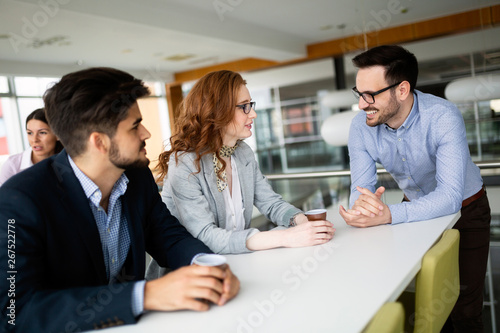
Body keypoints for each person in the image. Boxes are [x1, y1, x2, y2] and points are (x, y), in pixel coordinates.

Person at [0, 67, 239, 332]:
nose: (146, 134)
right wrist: (146, 295)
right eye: (135, 126)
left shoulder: (137, 176)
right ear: (99, 142)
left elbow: (168, 235)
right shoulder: (19, 201)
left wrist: (205, 266)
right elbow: (14, 312)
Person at [339, 45, 491, 332]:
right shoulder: (361, 127)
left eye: (370, 95)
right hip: (415, 212)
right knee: (432, 305)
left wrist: (387, 215)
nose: (361, 105)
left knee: (466, 310)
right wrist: (363, 207)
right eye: (359, 94)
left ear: (402, 89)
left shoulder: (443, 116)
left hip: (468, 211)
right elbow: (361, 187)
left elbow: (449, 198)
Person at [147, 70, 334, 278]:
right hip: (188, 277)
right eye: (244, 107)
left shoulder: (243, 152)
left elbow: (271, 203)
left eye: (250, 105)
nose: (252, 114)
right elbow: (205, 236)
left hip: (237, 265)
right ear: (217, 112)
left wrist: (301, 222)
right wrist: (284, 238)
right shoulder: (184, 162)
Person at [0, 108, 63, 186]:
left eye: (42, 133)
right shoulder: (13, 166)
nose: (34, 140)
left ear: (58, 135)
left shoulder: (70, 161)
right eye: (30, 133)